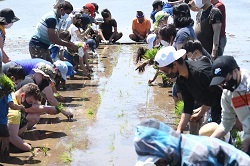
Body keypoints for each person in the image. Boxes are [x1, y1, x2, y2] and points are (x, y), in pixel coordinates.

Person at [154, 46, 222, 134]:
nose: (166, 75)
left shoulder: (201, 72)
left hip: (226, 105)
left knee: (218, 136)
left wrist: (201, 112)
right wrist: (179, 131)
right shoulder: (181, 80)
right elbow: (188, 105)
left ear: (174, 64)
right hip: (213, 105)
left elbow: (219, 94)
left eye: (166, 71)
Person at [134, 119, 250, 165]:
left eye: (157, 160)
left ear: (164, 148)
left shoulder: (194, 158)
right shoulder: (182, 143)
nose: (157, 164)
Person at [209, 56, 250, 155]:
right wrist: (208, 142)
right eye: (220, 83)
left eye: (224, 80)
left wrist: (247, 139)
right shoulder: (227, 94)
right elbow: (226, 123)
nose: (223, 85)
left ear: (235, 71)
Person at [15, 63, 73, 128]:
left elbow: (51, 98)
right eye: (48, 79)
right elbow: (27, 107)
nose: (49, 82)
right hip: (15, 108)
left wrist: (63, 111)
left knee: (38, 110)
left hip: (23, 107)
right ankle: (18, 131)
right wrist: (47, 109)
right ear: (43, 76)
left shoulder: (42, 82)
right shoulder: (29, 84)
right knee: (35, 117)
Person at [8, 83, 59, 152]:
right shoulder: (14, 113)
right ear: (22, 95)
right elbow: (12, 137)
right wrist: (31, 149)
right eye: (30, 102)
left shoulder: (10, 95)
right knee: (21, 124)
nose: (30, 105)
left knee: (23, 121)